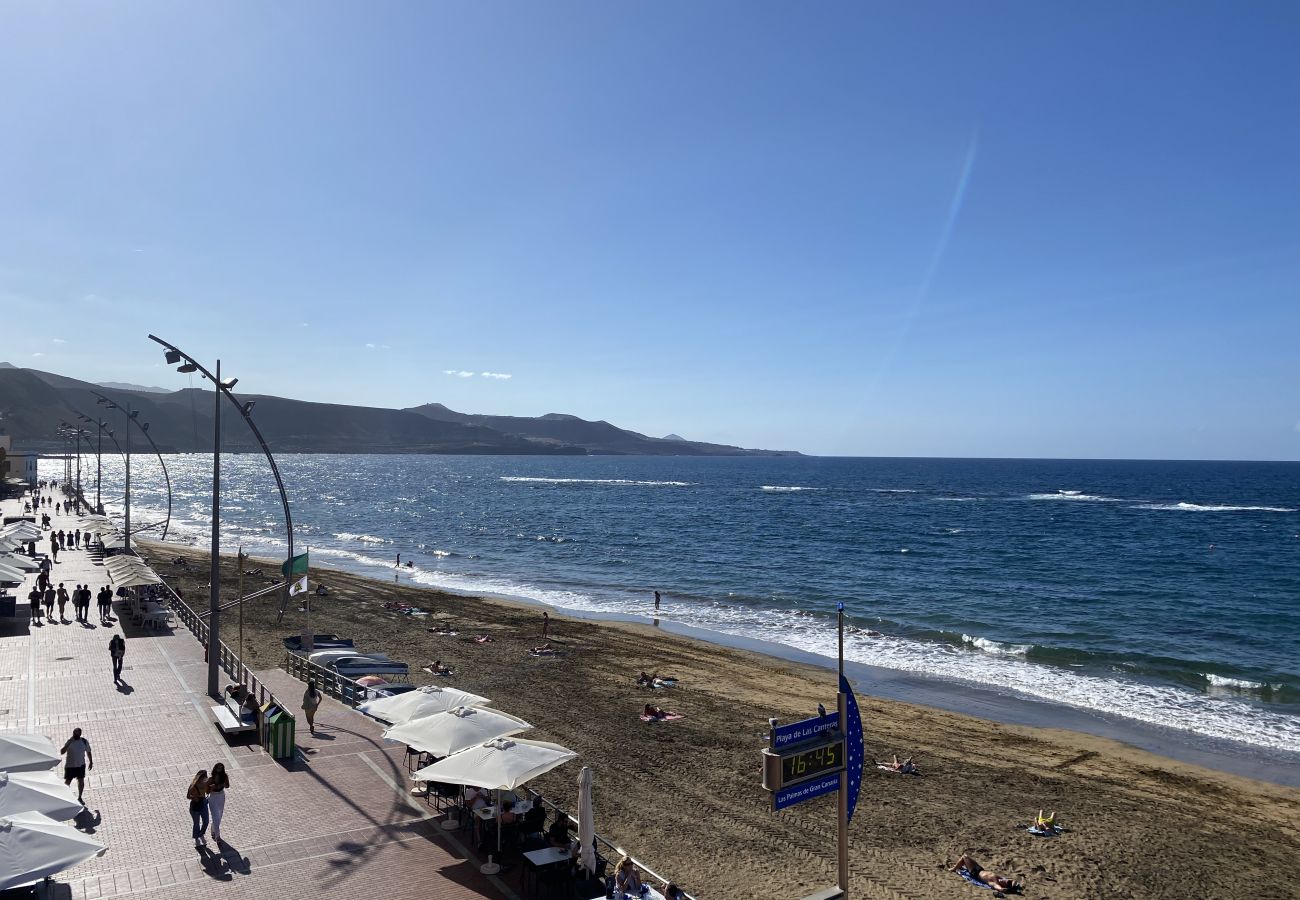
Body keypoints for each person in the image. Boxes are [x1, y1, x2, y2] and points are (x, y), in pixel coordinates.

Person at [951, 855, 1020, 893]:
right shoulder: (1000, 879)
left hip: (975, 872)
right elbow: (1014, 881)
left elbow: (1001, 889)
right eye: (1007, 880)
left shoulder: (995, 883)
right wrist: (1013, 885)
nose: (1005, 880)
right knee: (966, 857)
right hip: (980, 869)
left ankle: (954, 869)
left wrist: (1009, 889)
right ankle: (957, 866)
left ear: (1004, 885)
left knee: (964, 857)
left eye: (1006, 882)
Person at [60, 728, 93, 805]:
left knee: (81, 781)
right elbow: (62, 752)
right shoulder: (70, 742)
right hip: (70, 766)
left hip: (81, 765)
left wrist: (91, 762)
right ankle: (63, 797)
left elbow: (88, 751)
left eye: (77, 733)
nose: (75, 735)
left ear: (80, 734)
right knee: (67, 782)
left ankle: (80, 797)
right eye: (74, 733)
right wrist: (69, 742)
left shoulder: (84, 741)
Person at [207, 763, 230, 843]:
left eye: (221, 768)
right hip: (213, 797)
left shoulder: (225, 776)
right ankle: (217, 836)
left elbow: (227, 786)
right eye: (218, 768)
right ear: (215, 768)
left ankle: (213, 828)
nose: (219, 770)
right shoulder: (211, 778)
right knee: (215, 816)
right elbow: (207, 791)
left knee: (219, 815)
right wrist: (211, 788)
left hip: (221, 796)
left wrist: (223, 784)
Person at [187, 769, 210, 847]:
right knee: (196, 823)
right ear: (200, 777)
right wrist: (194, 797)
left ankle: (201, 834)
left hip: (203, 804)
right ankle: (196, 838)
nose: (206, 778)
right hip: (195, 806)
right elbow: (188, 796)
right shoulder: (193, 785)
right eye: (204, 777)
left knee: (206, 821)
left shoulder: (205, 784)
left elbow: (207, 792)